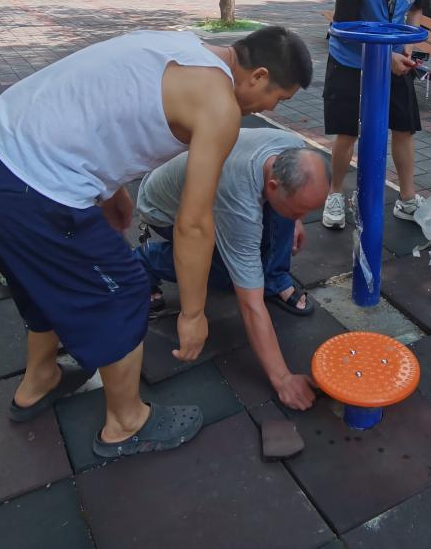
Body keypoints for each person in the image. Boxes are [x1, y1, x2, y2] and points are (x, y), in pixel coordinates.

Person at [0, 26, 313, 458]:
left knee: (40, 280)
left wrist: (111, 191)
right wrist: (193, 313)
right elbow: (194, 223)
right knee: (124, 291)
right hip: (31, 187)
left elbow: (102, 106)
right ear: (258, 76)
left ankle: (40, 380)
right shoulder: (219, 106)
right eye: (279, 98)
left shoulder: (181, 45)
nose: (271, 108)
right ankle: (126, 423)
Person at [134, 129, 330, 410]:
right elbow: (250, 305)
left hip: (221, 184)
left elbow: (290, 195)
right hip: (164, 208)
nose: (304, 218)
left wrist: (295, 216)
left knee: (278, 222)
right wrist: (283, 378)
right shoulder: (238, 202)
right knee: (228, 274)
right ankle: (147, 260)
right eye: (300, 210)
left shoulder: (293, 148)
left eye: (307, 210)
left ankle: (274, 279)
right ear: (272, 186)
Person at [321, 0, 431, 230]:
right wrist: (384, 57)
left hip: (395, 56)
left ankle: (407, 199)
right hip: (350, 57)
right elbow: (344, 24)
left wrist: (407, 46)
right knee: (347, 131)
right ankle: (335, 193)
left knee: (404, 128)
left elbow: (416, 8)